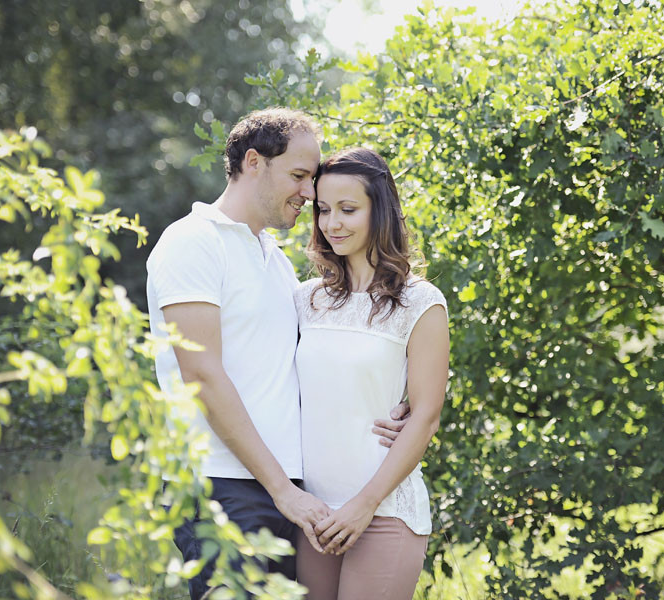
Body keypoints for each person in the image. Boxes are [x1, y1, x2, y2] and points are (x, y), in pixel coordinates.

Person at [145, 109, 406, 599]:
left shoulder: (275, 262)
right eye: (300, 176)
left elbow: (315, 362)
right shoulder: (192, 242)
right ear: (253, 163)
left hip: (289, 488)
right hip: (221, 485)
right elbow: (201, 373)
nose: (309, 194)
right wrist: (282, 491)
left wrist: (393, 400)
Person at [293, 147, 450, 600]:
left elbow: (424, 416)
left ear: (378, 212)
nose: (332, 223)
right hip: (315, 515)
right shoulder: (305, 300)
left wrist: (363, 506)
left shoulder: (420, 302)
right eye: (323, 210)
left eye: (348, 209)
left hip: (383, 512)